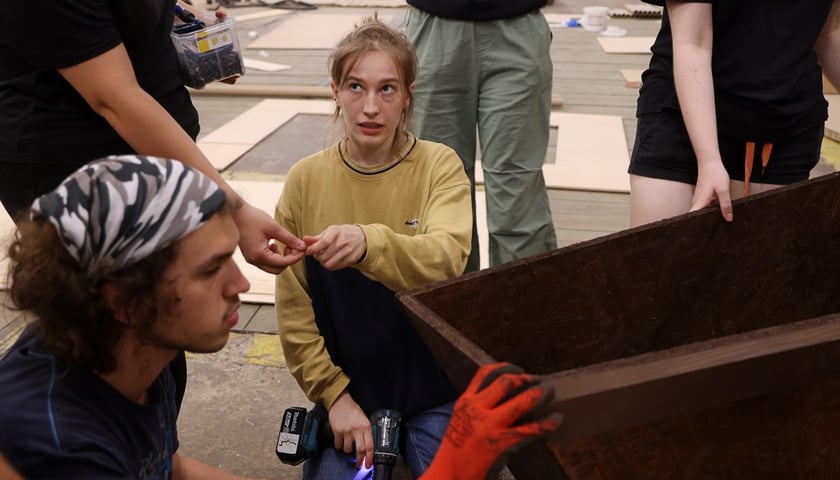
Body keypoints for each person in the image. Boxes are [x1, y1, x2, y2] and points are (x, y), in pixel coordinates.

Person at [0, 0, 306, 409]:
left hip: (142, 148)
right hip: (76, 159)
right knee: (125, 343)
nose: (239, 287)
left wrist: (186, 32)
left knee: (160, 341)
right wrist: (230, 208)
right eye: (217, 268)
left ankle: (150, 454)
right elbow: (115, 97)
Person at [273, 18, 473, 479]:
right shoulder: (306, 180)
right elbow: (293, 311)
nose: (370, 107)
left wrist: (370, 242)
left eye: (387, 89)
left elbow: (447, 257)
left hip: (432, 388)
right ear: (335, 92)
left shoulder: (438, 166)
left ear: (408, 95)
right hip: (352, 392)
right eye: (356, 87)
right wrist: (335, 397)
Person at [0, 155, 256, 478]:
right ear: (125, 301)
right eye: (211, 269)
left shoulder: (138, 348)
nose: (240, 285)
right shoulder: (61, 447)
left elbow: (170, 469)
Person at [628, 1, 840, 227]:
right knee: (661, 257)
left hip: (784, 125)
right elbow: (694, 43)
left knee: (764, 260)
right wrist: (709, 160)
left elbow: (829, 31)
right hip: (684, 118)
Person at [404, 0, 557, 271]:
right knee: (440, 187)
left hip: (517, 23)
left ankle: (523, 308)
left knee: (517, 192)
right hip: (434, 27)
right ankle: (448, 309)